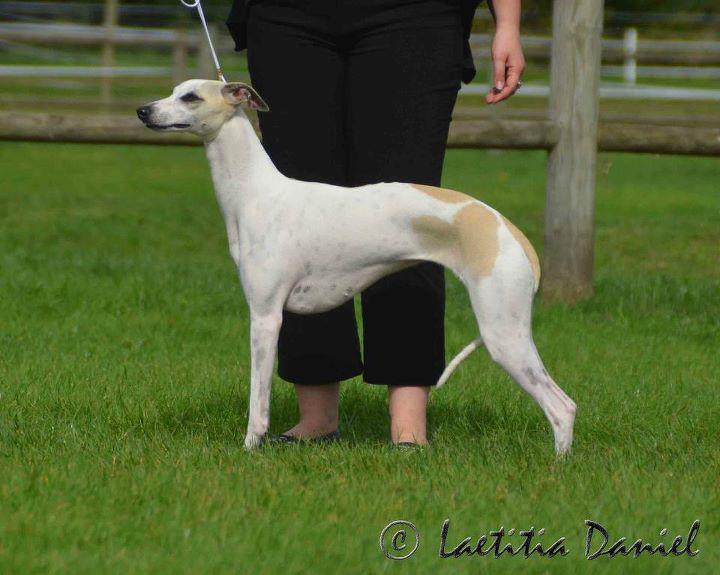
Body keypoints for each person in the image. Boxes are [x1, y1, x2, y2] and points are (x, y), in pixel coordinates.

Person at [226, 0, 525, 445]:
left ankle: (408, 428)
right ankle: (316, 417)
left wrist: (508, 23)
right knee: (296, 219)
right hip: (287, 17)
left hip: (414, 17)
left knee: (408, 214)